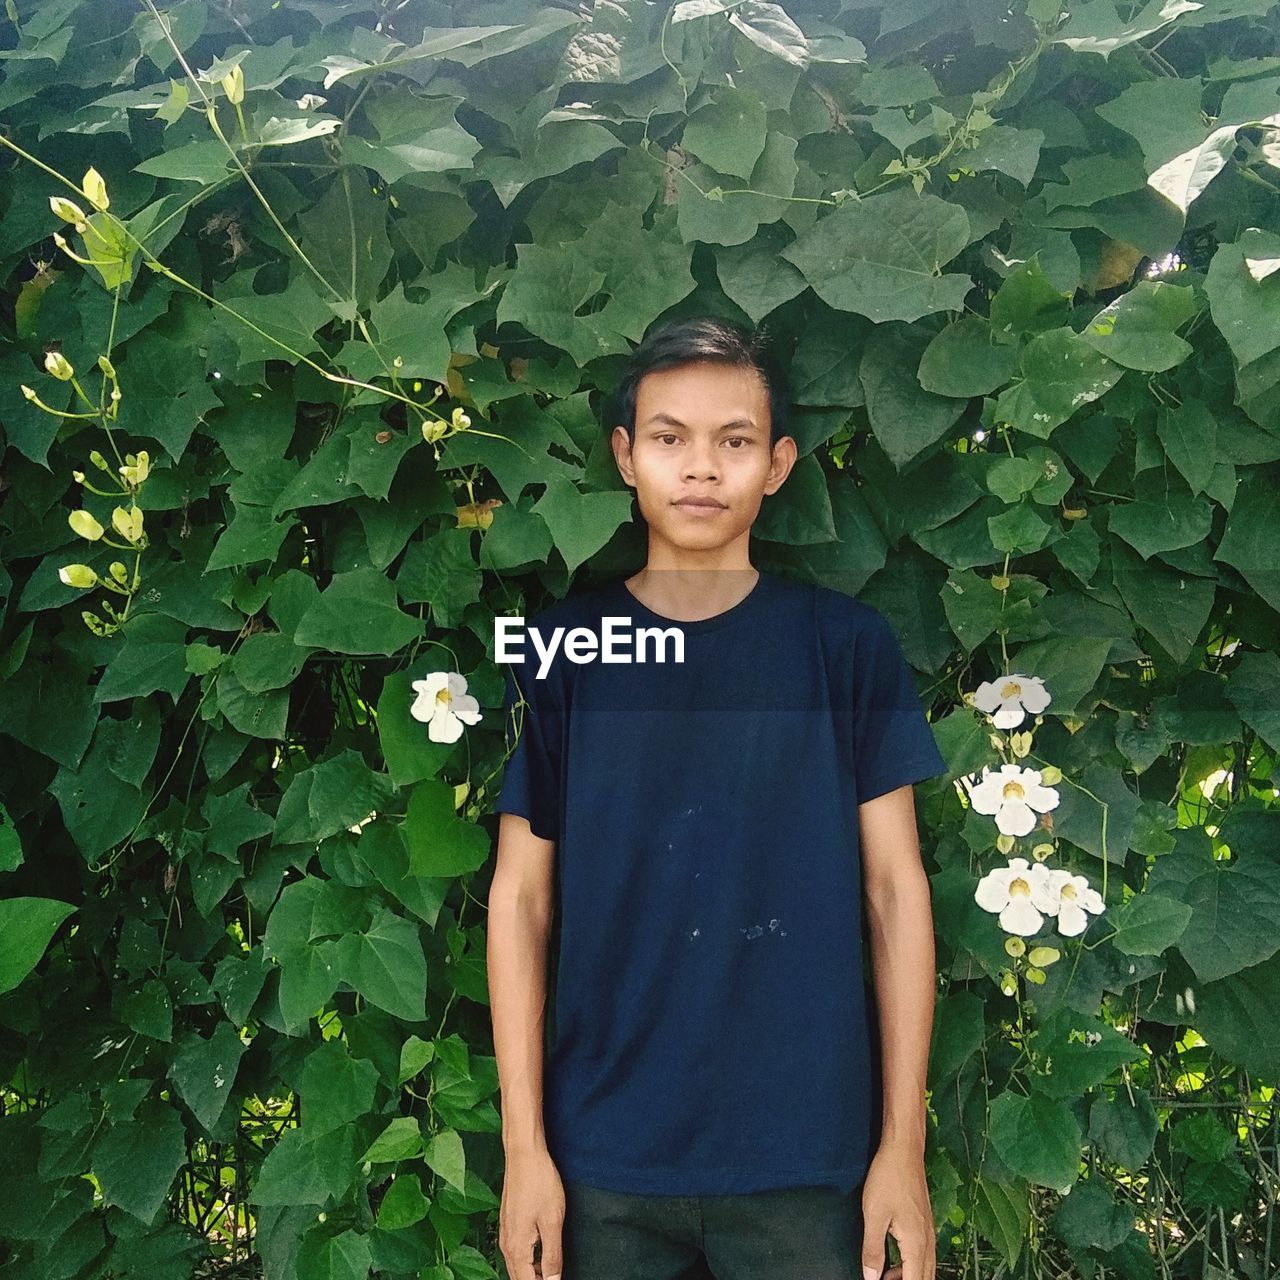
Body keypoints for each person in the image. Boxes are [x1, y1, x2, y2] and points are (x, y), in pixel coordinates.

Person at [486, 315, 948, 1280]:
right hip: (601, 1162)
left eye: (733, 441)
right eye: (669, 438)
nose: (701, 468)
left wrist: (900, 1154)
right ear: (625, 456)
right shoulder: (569, 650)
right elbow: (521, 900)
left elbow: (896, 893)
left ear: (777, 464)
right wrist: (525, 1154)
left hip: (806, 1165)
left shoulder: (844, 648)